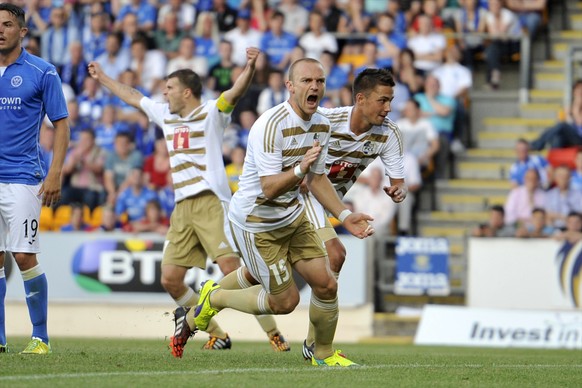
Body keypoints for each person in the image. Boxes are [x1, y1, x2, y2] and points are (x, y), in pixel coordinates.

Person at [88, 47, 289, 357]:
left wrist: (249, 66)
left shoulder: (212, 112)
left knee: (233, 271)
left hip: (211, 204)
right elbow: (132, 95)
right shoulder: (165, 114)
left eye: (169, 88)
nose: (164, 93)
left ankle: (274, 334)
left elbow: (235, 92)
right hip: (182, 208)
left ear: (186, 91)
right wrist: (103, 78)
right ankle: (216, 334)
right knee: (170, 279)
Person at [190, 58, 376, 368]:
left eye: (319, 81)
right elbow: (268, 188)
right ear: (289, 86)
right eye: (306, 81)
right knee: (285, 302)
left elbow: (316, 179)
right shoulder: (270, 124)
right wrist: (300, 167)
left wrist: (344, 216)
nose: (314, 86)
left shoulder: (322, 125)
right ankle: (215, 297)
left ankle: (324, 354)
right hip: (255, 221)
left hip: (291, 216)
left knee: (327, 284)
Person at [300, 68, 406, 357]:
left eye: (391, 100)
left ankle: (207, 305)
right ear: (361, 98)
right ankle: (316, 346)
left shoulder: (389, 134)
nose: (388, 108)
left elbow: (399, 183)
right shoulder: (325, 121)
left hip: (326, 204)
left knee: (265, 282)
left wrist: (398, 191)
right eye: (383, 100)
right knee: (335, 254)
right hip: (297, 196)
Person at [0, 3, 70, 354]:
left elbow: (61, 124)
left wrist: (55, 170)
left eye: (8, 24)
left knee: (23, 256)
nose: (0, 29)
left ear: (22, 31)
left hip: (22, 177)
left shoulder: (42, 72)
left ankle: (40, 337)